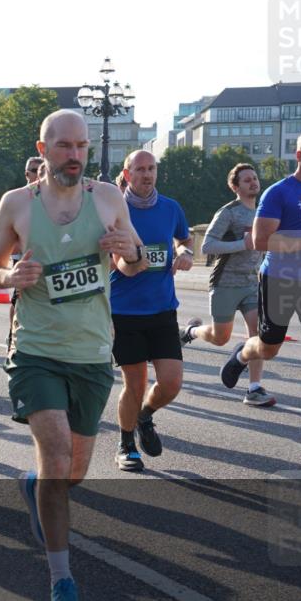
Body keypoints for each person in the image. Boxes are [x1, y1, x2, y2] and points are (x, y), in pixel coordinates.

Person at [0, 110, 146, 601]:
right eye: (64, 147)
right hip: (36, 352)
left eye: (81, 147)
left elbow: (133, 261)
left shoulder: (108, 198)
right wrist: (10, 274)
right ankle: (62, 582)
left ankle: (36, 486)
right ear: (44, 148)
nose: (74, 156)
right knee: (55, 455)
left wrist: (130, 252)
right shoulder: (17, 204)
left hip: (93, 355)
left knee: (70, 473)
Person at [220, 130, 301, 449]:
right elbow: (260, 241)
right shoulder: (278, 193)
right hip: (279, 280)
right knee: (269, 348)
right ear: (299, 156)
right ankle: (243, 353)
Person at [109, 150, 193, 472]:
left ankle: (144, 414)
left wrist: (184, 252)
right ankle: (126, 444)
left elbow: (184, 239)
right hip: (125, 310)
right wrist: (132, 262)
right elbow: (119, 264)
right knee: (135, 382)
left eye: (152, 168)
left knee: (171, 383)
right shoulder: (117, 210)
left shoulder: (171, 207)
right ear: (127, 174)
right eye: (140, 169)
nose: (147, 174)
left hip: (162, 309)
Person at [181, 163, 274, 406]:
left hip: (252, 283)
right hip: (225, 283)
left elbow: (264, 245)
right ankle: (190, 332)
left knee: (259, 335)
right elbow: (207, 246)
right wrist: (243, 244)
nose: (253, 182)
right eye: (246, 180)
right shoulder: (228, 213)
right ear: (235, 186)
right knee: (220, 337)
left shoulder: (264, 211)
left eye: (254, 178)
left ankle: (254, 388)